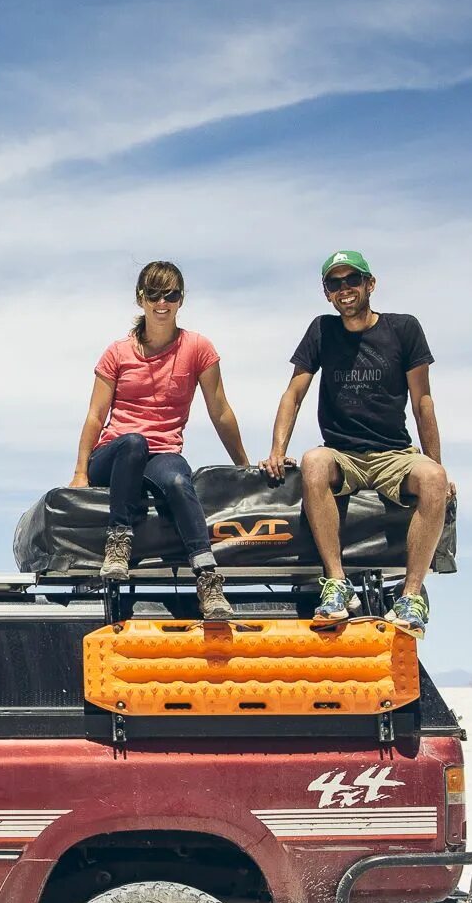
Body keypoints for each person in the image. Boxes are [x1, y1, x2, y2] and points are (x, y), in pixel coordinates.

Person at [260, 249, 449, 634]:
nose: (344, 289)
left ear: (369, 284)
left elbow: (422, 400)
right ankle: (337, 585)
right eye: (335, 283)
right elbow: (293, 394)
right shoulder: (322, 330)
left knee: (433, 479)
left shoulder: (403, 328)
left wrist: (436, 463)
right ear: (327, 292)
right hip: (343, 453)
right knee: (313, 461)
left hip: (393, 453)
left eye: (352, 281)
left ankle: (412, 596)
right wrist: (277, 450)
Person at [70, 259, 251, 618]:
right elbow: (96, 414)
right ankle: (118, 541)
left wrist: (243, 465)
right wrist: (80, 471)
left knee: (180, 480)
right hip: (115, 452)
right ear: (140, 299)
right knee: (134, 442)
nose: (162, 303)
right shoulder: (117, 353)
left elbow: (220, 410)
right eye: (154, 295)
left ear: (181, 299)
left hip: (162, 451)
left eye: (171, 295)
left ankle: (208, 580)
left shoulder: (198, 348)